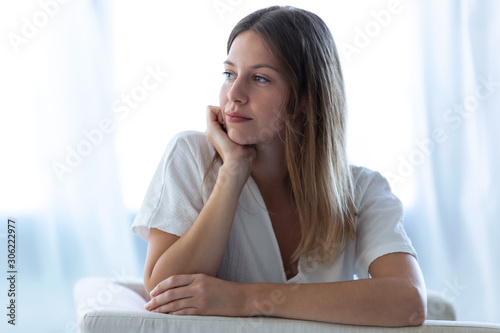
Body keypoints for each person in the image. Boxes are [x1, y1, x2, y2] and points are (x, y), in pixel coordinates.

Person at [132, 5, 426, 327]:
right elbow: (165, 292)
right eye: (229, 73)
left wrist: (246, 298)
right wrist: (233, 172)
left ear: (304, 100)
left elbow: (408, 301)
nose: (234, 94)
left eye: (260, 79)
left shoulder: (362, 190)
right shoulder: (191, 155)